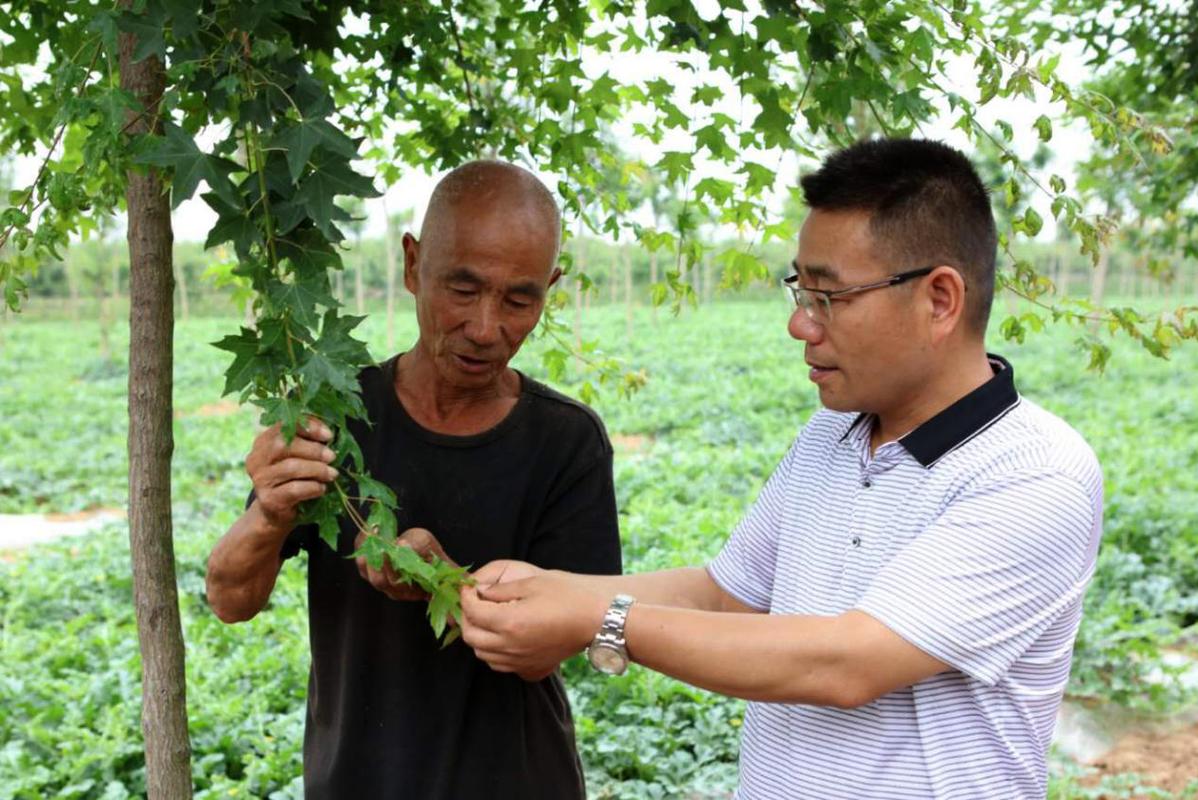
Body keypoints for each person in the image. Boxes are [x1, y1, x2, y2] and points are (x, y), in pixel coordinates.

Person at [459, 139, 1103, 799]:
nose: (801, 325)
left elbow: (847, 663)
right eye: (801, 290)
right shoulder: (832, 433)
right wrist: (558, 589)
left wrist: (597, 618)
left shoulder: (1033, 473)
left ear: (939, 300)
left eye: (828, 297)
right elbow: (726, 595)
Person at [205, 160, 622, 800]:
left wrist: (442, 583)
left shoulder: (567, 442)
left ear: (551, 288)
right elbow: (231, 601)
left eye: (519, 299)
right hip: (357, 780)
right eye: (462, 288)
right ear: (411, 265)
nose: (487, 328)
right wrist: (269, 511)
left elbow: (556, 645)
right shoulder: (338, 416)